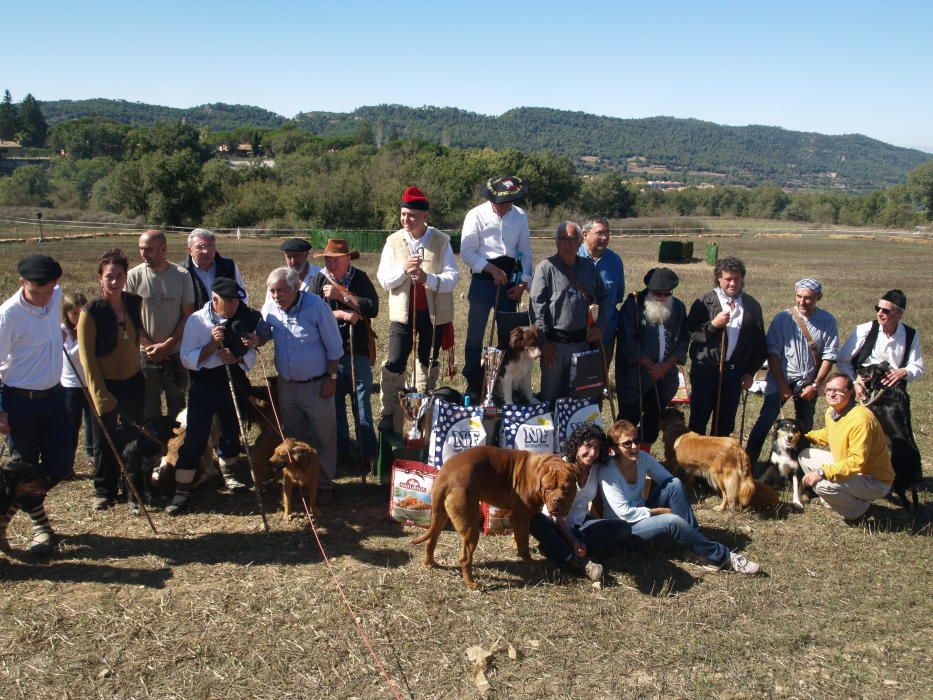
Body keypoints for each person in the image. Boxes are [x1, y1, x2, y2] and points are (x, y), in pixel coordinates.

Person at [600, 419, 761, 574]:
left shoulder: (642, 458)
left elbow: (668, 481)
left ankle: (694, 546)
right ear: (614, 448)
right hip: (625, 529)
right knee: (672, 521)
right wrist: (659, 512)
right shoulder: (609, 471)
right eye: (627, 444)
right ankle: (723, 557)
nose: (634, 446)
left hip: (641, 513)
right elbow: (625, 513)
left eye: (636, 440)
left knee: (675, 484)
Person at [171, 278, 262, 515]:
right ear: (215, 300)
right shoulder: (196, 321)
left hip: (231, 378)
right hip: (204, 384)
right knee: (196, 435)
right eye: (229, 302)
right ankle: (182, 488)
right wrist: (212, 346)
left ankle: (230, 474)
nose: (234, 306)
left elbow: (251, 351)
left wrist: (237, 357)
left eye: (236, 301)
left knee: (231, 430)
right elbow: (186, 358)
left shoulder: (242, 318)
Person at [0, 255, 71, 556]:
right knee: (24, 470)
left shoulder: (55, 297)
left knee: (60, 466)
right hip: (19, 402)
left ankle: (3, 515)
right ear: (22, 283)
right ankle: (41, 529)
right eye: (36, 292)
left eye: (49, 290)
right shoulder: (8, 315)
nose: (43, 298)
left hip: (55, 396)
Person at [376, 186, 459, 433]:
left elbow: (453, 278)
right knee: (395, 361)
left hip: (433, 315)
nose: (406, 220)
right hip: (402, 315)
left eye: (411, 215)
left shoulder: (441, 240)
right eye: (403, 214)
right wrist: (403, 270)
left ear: (425, 217)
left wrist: (427, 279)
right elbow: (383, 280)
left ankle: (422, 414)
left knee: (427, 361)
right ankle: (389, 412)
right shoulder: (392, 241)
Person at [262, 267, 343, 503]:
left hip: (317, 383)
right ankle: (297, 480)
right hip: (287, 385)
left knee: (323, 435)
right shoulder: (270, 308)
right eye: (273, 291)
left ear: (295, 287)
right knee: (295, 437)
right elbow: (263, 334)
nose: (276, 295)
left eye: (281, 290)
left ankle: (324, 483)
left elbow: (334, 346)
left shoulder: (316, 306)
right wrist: (253, 339)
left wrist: (331, 378)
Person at [77, 249, 146, 513]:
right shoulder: (91, 312)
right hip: (105, 385)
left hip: (133, 382)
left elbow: (139, 337)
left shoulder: (133, 303)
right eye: (109, 277)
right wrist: (100, 395)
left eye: (119, 276)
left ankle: (134, 491)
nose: (114, 281)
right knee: (105, 440)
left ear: (126, 277)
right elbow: (88, 359)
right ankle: (104, 490)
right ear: (100, 279)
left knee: (133, 438)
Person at [745, 278, 838, 465]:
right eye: (799, 296)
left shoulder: (828, 321)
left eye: (808, 298)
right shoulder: (782, 318)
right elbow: (773, 353)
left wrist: (815, 385)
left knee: (804, 427)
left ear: (819, 297)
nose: (802, 302)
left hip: (808, 382)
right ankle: (747, 464)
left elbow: (829, 356)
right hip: (781, 377)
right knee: (765, 421)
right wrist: (781, 385)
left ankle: (802, 468)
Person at [459, 175, 533, 401]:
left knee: (509, 337)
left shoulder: (520, 216)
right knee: (475, 335)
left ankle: (506, 384)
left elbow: (525, 252)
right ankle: (474, 383)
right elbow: (467, 252)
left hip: (510, 281)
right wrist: (490, 269)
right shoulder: (475, 215)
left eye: (507, 203)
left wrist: (523, 283)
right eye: (499, 204)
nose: (503, 208)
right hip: (483, 279)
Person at [308, 239, 379, 472]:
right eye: (328, 260)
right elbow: (311, 311)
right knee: (334, 405)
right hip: (329, 354)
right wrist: (339, 314)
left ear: (348, 259)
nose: (331, 264)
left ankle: (367, 453)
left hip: (356, 350)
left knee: (361, 404)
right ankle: (340, 451)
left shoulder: (359, 278)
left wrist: (344, 298)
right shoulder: (319, 279)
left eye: (336, 260)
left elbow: (372, 307)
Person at [529, 424, 631, 581]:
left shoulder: (597, 469)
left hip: (581, 526)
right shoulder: (560, 468)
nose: (592, 453)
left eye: (597, 448)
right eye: (588, 446)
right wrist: (573, 541)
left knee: (623, 528)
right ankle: (579, 562)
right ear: (576, 445)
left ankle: (558, 551)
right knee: (535, 521)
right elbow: (556, 514)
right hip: (555, 524)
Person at [529, 221, 610, 402]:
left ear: (580, 241)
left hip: (583, 345)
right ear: (556, 242)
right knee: (551, 398)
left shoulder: (589, 268)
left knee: (581, 401)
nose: (567, 244)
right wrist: (543, 342)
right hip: (554, 347)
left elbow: (604, 299)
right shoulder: (545, 268)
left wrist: (601, 327)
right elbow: (537, 308)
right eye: (563, 239)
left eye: (572, 239)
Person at [686, 256, 767, 436]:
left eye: (736, 278)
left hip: (734, 372)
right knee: (699, 419)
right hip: (706, 370)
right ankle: (694, 461)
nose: (732, 283)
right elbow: (690, 332)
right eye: (728, 279)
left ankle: (718, 461)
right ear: (719, 278)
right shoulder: (705, 302)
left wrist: (750, 372)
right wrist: (713, 325)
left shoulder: (752, 306)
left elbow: (759, 344)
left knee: (725, 422)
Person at [799, 372, 894, 523]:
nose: (831, 393)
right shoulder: (832, 412)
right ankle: (834, 500)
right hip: (849, 468)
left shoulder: (860, 420)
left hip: (872, 479)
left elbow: (857, 462)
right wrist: (804, 437)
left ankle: (861, 512)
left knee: (822, 484)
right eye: (828, 389)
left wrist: (822, 472)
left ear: (850, 393)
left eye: (837, 390)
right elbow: (830, 434)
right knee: (804, 455)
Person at [125, 230, 196, 420]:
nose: (142, 254)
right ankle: (154, 449)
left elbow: (187, 315)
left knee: (177, 407)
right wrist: (149, 347)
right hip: (145, 355)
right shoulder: (133, 276)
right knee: (148, 408)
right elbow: (129, 317)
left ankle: (176, 449)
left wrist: (167, 346)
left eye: (148, 249)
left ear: (163, 249)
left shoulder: (182, 276)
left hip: (175, 354)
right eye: (140, 249)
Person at [615, 268, 688, 448]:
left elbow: (683, 339)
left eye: (666, 294)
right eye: (657, 294)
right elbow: (627, 340)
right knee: (628, 419)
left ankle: (644, 459)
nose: (662, 297)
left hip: (663, 378)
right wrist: (650, 365)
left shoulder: (678, 307)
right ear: (648, 289)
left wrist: (664, 367)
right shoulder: (634, 305)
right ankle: (619, 459)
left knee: (652, 420)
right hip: (636, 376)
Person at [836, 289, 924, 399]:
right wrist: (855, 383)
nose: (880, 313)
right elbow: (842, 361)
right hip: (865, 390)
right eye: (878, 308)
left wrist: (905, 371)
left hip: (895, 392)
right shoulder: (864, 329)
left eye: (886, 311)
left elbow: (918, 367)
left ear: (899, 314)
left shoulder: (910, 334)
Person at [577, 216, 625, 359]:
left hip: (605, 333)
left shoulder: (615, 261)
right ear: (585, 234)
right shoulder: (573, 257)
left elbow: (618, 295)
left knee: (600, 377)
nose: (604, 238)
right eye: (600, 233)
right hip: (576, 335)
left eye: (607, 233)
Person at [61, 291, 95, 469]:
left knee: (92, 422)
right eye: (74, 314)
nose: (78, 317)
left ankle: (92, 454)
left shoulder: (90, 327)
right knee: (71, 425)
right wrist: (83, 337)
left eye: (82, 313)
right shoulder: (63, 331)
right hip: (71, 386)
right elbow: (71, 358)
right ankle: (68, 462)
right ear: (66, 314)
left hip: (89, 383)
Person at [183, 228, 248, 309]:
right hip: (196, 320)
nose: (206, 251)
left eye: (209, 246)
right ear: (190, 250)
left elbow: (241, 294)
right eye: (200, 247)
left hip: (227, 318)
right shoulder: (183, 271)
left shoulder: (228, 266)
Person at [263, 238, 322, 306]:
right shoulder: (277, 278)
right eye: (289, 257)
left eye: (296, 256)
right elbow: (269, 305)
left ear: (306, 255)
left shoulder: (320, 274)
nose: (293, 261)